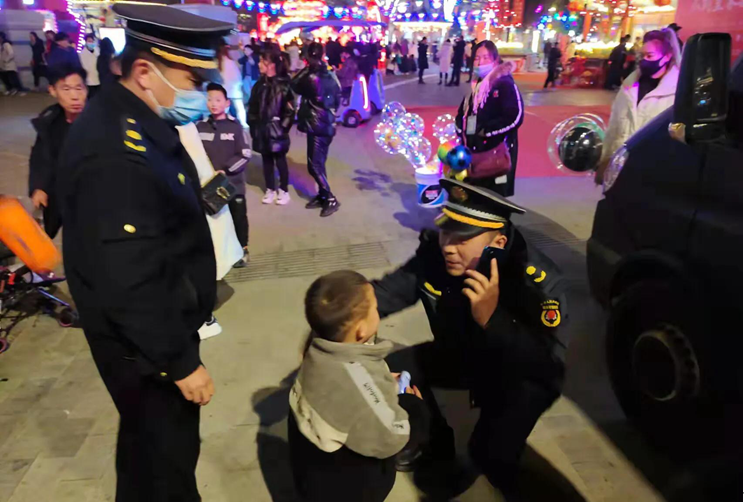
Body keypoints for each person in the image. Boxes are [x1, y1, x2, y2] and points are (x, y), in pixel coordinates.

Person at [56, 5, 232, 500]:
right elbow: (128, 276)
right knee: (165, 467)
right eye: (193, 78)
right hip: (147, 351)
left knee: (146, 457)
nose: (201, 91)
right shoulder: (115, 149)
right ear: (144, 71)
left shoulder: (132, 119)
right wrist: (180, 363)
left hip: (153, 339)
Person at [373, 178, 568, 500]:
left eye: (463, 237)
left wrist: (493, 319)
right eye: (447, 231)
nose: (449, 245)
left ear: (499, 242)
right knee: (394, 369)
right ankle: (434, 444)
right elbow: (391, 290)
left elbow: (546, 365)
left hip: (519, 377)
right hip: (464, 354)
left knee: (491, 456)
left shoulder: (539, 283)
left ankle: (491, 464)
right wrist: (344, 315)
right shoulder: (437, 255)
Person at [288, 270, 430, 501]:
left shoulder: (316, 348)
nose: (379, 310)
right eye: (375, 307)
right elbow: (391, 437)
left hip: (314, 474)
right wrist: (415, 408)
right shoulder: (356, 381)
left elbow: (356, 386)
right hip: (349, 487)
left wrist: (379, 379)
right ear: (361, 330)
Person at [595, 28, 681, 185]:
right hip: (619, 172)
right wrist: (604, 160)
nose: (644, 61)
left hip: (651, 175)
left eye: (650, 56)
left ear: (667, 56)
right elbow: (614, 127)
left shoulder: (676, 91)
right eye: (641, 56)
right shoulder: (629, 85)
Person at [456, 41, 524, 197]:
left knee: (495, 199)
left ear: (495, 59)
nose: (480, 62)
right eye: (477, 58)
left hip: (497, 153)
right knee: (477, 196)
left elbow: (515, 117)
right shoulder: (476, 85)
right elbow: (462, 114)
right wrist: (461, 129)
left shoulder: (504, 83)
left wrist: (486, 131)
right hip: (476, 153)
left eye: (486, 57)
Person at [28, 64, 87, 238]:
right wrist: (38, 187)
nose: (75, 96)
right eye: (66, 89)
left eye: (79, 88)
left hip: (91, 198)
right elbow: (40, 157)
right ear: (53, 91)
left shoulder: (100, 121)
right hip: (59, 195)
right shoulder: (49, 122)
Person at [197, 83, 252, 267]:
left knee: (238, 218)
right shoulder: (200, 127)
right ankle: (220, 254)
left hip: (233, 185)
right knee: (216, 220)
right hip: (210, 185)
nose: (213, 103)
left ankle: (242, 250)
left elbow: (245, 154)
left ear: (227, 103)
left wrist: (226, 170)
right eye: (210, 99)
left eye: (218, 100)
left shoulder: (235, 127)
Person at [291, 42, 342, 217]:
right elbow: (338, 97)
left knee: (313, 165)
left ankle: (329, 198)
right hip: (326, 123)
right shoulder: (329, 74)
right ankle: (322, 195)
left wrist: (307, 67)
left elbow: (294, 84)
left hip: (317, 125)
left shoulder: (311, 77)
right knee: (319, 163)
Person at [248, 47, 295, 206]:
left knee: (280, 160)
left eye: (262, 61)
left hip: (277, 130)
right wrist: (254, 126)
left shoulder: (284, 84)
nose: (259, 64)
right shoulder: (258, 85)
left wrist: (282, 128)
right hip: (262, 130)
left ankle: (283, 189)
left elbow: (290, 111)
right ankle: (270, 189)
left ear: (271, 64)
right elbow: (252, 108)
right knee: (266, 160)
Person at [218, 42, 247, 129]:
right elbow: (237, 76)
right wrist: (239, 84)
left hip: (224, 88)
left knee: (225, 108)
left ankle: (223, 124)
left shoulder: (219, 63)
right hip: (234, 88)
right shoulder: (230, 61)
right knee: (239, 107)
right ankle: (243, 123)